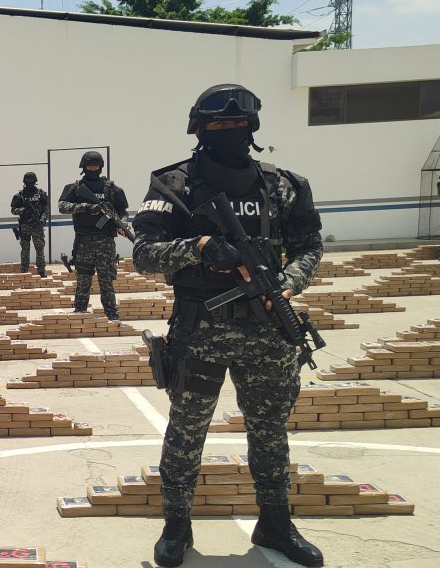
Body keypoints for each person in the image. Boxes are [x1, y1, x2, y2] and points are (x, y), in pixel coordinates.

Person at [132, 84, 325, 567]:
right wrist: (196, 248)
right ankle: (176, 524)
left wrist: (291, 282)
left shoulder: (285, 185)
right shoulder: (173, 185)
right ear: (199, 130)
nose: (228, 133)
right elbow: (142, 253)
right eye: (217, 126)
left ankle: (275, 522)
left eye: (237, 126)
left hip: (269, 331)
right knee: (186, 430)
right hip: (200, 330)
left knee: (270, 430)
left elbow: (309, 245)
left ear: (251, 129)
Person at [57, 151, 129, 320]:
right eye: (90, 166)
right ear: (84, 167)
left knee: (107, 282)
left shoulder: (113, 190)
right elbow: (62, 206)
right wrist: (87, 207)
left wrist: (123, 224)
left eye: (96, 166)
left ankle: (112, 314)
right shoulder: (74, 188)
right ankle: (80, 312)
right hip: (83, 242)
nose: (93, 168)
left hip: (105, 242)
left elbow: (122, 212)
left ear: (101, 167)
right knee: (83, 280)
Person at [10, 172, 49, 277]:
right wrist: (23, 210)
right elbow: (13, 210)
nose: (30, 182)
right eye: (28, 181)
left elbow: (46, 210)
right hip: (25, 226)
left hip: (37, 226)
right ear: (24, 182)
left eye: (32, 180)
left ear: (35, 181)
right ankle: (24, 271)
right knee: (25, 250)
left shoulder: (42, 194)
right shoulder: (19, 196)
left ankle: (41, 271)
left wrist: (42, 220)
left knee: (40, 249)